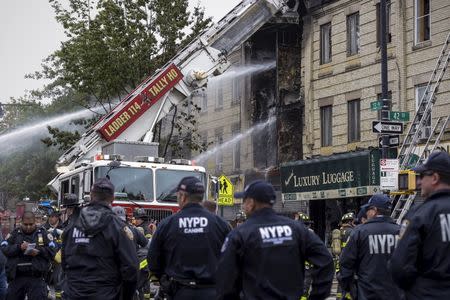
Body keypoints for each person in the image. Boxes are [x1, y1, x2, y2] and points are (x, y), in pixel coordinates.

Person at [216, 180, 334, 299]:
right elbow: (325, 261)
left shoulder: (240, 234)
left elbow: (225, 279)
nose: (243, 206)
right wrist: (317, 296)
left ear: (251, 203)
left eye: (244, 201)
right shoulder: (297, 229)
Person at [147, 176, 230, 299]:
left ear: (183, 196)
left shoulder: (167, 224)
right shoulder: (221, 224)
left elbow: (153, 259)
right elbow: (231, 258)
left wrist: (164, 280)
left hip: (179, 291)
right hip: (213, 292)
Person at [62, 178, 139, 300]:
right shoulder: (118, 227)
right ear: (112, 199)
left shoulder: (72, 225)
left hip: (74, 293)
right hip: (106, 294)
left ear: (92, 195)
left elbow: (64, 262)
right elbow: (131, 268)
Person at [390, 151, 450, 299]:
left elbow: (400, 267)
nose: (419, 182)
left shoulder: (419, 215)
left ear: (435, 178)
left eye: (423, 176)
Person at [339, 194, 401, 299]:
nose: (366, 213)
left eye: (367, 209)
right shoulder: (400, 232)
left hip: (367, 294)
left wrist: (349, 289)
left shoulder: (360, 232)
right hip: (395, 294)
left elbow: (345, 264)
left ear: (374, 211)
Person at [1, 211, 56, 300]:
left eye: (31, 224)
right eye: (25, 224)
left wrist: (38, 251)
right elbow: (4, 248)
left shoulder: (43, 233)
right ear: (21, 222)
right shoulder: (14, 233)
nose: (28, 227)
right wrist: (19, 247)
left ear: (35, 222)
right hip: (17, 278)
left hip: (36, 278)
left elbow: (53, 250)